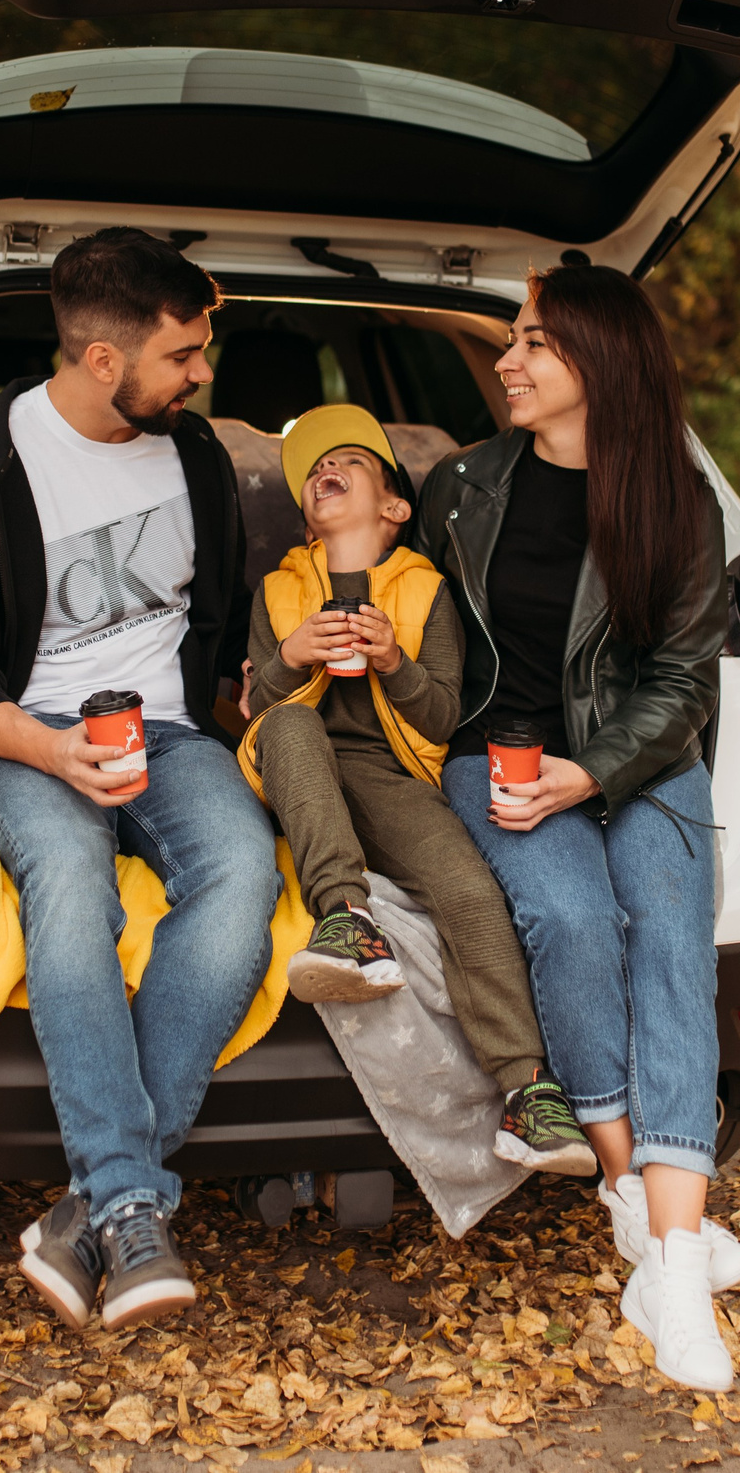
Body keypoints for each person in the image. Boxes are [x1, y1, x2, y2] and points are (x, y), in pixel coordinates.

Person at [0, 227, 275, 1333]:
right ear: (104, 361)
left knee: (244, 871)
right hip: (31, 733)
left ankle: (98, 1205)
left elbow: (208, 627)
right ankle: (126, 1199)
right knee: (71, 880)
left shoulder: (197, 456)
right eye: (183, 355)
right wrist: (52, 748)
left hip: (165, 733)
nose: (202, 373)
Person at [416, 264, 740, 1393]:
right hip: (498, 758)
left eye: (532, 344)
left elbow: (681, 679)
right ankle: (637, 1197)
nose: (506, 361)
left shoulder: (676, 499)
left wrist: (589, 771)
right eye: (513, 341)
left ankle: (667, 1260)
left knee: (667, 926)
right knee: (568, 915)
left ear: (598, 364)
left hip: (641, 758)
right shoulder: (462, 486)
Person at [237, 404, 594, 1175]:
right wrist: (292, 655)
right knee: (295, 730)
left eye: (350, 462)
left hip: (388, 771)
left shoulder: (427, 590)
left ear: (395, 507)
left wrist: (395, 661)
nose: (326, 471)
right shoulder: (277, 591)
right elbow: (261, 713)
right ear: (306, 517)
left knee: (467, 889)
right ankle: (347, 921)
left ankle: (528, 1091)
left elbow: (442, 713)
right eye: (313, 473)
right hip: (297, 764)